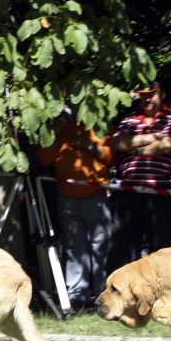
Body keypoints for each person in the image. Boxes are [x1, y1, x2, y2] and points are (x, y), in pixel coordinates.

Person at [37, 110, 113, 311]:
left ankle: (102, 294)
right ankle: (76, 296)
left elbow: (110, 157)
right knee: (74, 248)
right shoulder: (59, 130)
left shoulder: (99, 124)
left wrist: (87, 144)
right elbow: (45, 159)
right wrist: (54, 131)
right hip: (67, 199)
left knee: (100, 246)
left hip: (96, 197)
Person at [109, 80, 171, 268]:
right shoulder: (128, 120)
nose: (148, 99)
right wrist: (149, 138)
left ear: (162, 95)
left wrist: (134, 149)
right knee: (123, 246)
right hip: (129, 193)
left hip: (162, 194)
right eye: (144, 95)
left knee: (161, 248)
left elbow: (166, 145)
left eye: (152, 94)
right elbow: (117, 143)